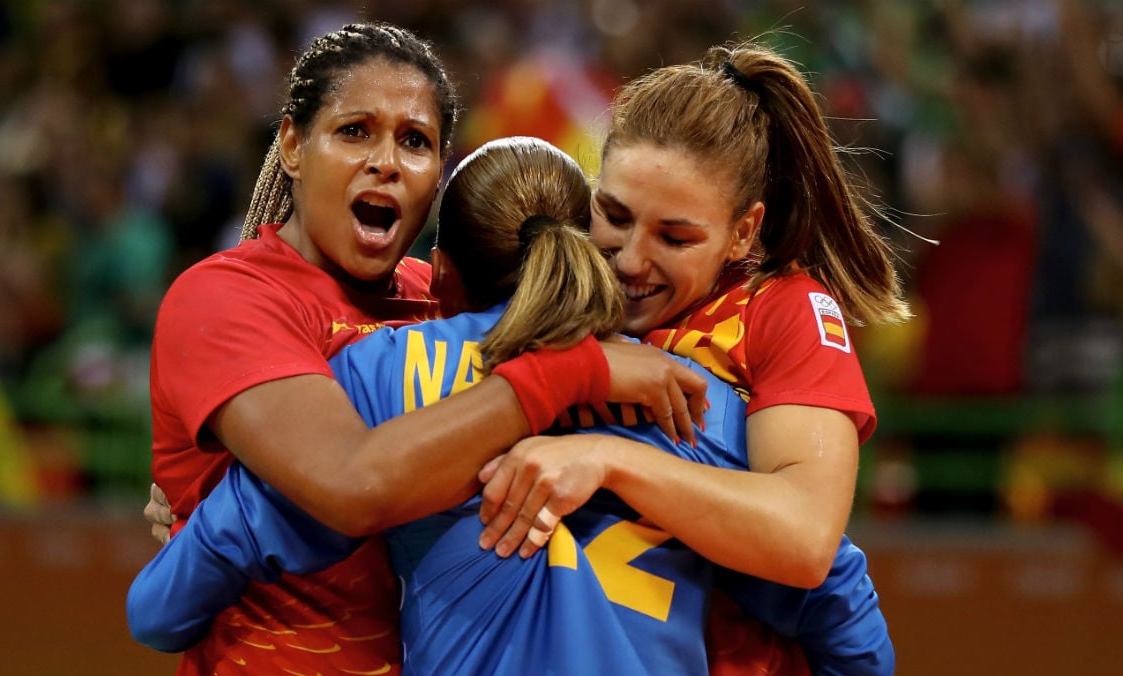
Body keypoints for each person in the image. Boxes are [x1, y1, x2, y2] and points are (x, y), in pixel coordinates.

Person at [129, 136, 886, 675]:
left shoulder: (367, 380)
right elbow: (829, 586)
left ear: (441, 273)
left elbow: (160, 612)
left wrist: (194, 522)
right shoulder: (688, 397)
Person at [143, 21, 706, 676]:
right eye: (355, 131)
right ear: (293, 146)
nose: (385, 160)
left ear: (438, 174)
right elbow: (350, 484)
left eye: (414, 142)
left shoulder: (443, 297)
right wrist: (578, 368)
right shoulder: (226, 298)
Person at [472, 41, 907, 675]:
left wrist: (609, 458)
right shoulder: (556, 282)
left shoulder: (785, 310)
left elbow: (806, 538)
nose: (629, 260)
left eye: (675, 237)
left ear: (743, 232)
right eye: (613, 215)